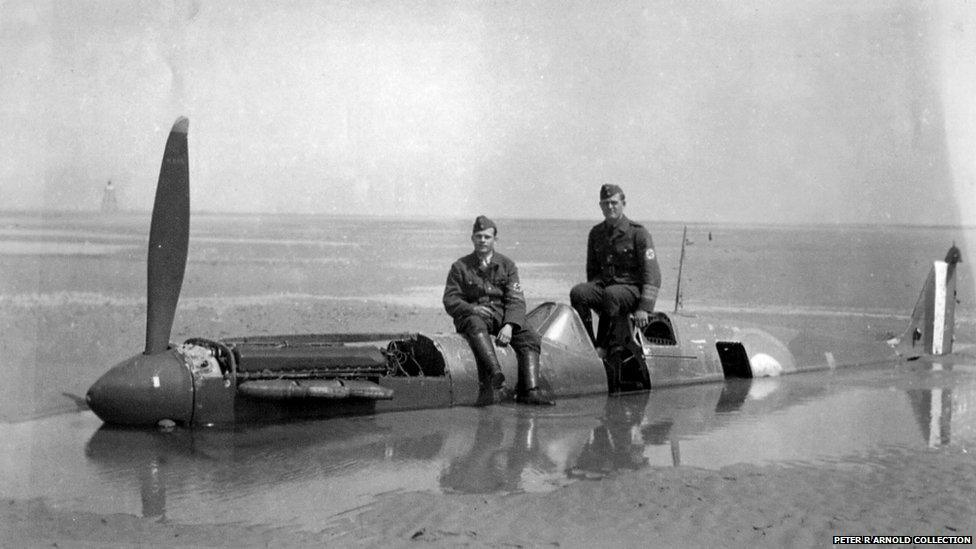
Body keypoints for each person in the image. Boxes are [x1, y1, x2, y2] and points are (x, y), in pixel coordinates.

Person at [443, 216, 554, 406]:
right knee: (475, 323)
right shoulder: (460, 267)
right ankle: (495, 371)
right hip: (473, 317)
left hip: (501, 316)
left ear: (495, 240)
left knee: (530, 336)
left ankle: (531, 390)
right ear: (472, 239)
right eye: (479, 236)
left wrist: (510, 325)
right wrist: (472, 308)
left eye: (487, 237)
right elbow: (450, 299)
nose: (483, 241)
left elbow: (516, 299)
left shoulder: (507, 265)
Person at [570, 184, 661, 355]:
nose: (610, 207)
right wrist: (598, 302)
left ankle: (602, 347)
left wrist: (644, 308)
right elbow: (593, 271)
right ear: (601, 206)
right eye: (605, 203)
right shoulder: (596, 233)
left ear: (623, 204)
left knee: (612, 294)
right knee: (578, 292)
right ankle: (589, 344)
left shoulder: (638, 233)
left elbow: (652, 274)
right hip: (607, 290)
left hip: (631, 291)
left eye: (614, 202)